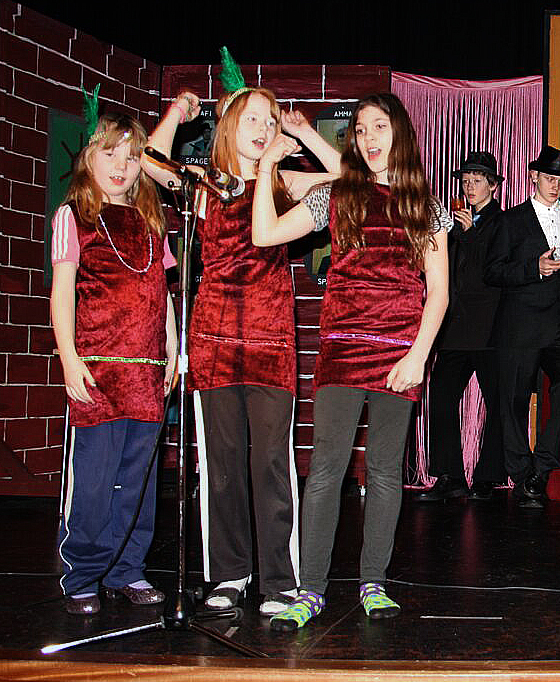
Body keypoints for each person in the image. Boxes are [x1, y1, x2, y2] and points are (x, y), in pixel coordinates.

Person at [251, 93, 449, 630]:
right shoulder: (338, 195)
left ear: (399, 132)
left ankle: (373, 583)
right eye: (360, 130)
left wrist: (418, 356)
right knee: (326, 471)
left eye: (378, 127)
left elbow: (439, 292)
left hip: (398, 352)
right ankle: (311, 589)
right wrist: (267, 166)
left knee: (383, 472)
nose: (368, 138)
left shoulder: (425, 206)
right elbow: (265, 235)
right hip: (341, 349)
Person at [143, 86, 341, 617]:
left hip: (271, 339)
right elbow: (150, 161)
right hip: (213, 339)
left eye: (269, 120)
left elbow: (351, 178)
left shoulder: (284, 182)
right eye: (252, 119)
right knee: (222, 465)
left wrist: (302, 134)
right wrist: (179, 112)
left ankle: (279, 579)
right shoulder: (205, 186)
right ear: (229, 126)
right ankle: (229, 573)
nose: (263, 128)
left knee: (271, 462)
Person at [50, 112, 178, 614]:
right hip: (98, 372)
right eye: (110, 154)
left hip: (146, 372)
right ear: (89, 156)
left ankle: (128, 568)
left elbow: (161, 291)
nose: (121, 166)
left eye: (132, 157)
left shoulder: (152, 222)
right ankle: (82, 573)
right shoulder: (74, 216)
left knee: (137, 482)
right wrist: (69, 358)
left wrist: (172, 347)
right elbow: (63, 293)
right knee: (94, 480)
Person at [484, 146, 560, 509]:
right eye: (549, 178)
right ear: (533, 177)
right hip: (520, 323)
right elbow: (492, 271)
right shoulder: (511, 220)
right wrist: (534, 268)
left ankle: (542, 467)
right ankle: (522, 473)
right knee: (513, 400)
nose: (555, 186)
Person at [415, 151, 506, 502]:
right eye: (465, 181)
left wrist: (469, 234)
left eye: (477, 181)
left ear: (493, 186)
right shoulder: (451, 224)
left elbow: (494, 272)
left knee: (498, 403)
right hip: (454, 327)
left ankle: (488, 476)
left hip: (491, 327)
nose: (469, 187)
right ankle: (449, 475)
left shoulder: (502, 223)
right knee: (440, 396)